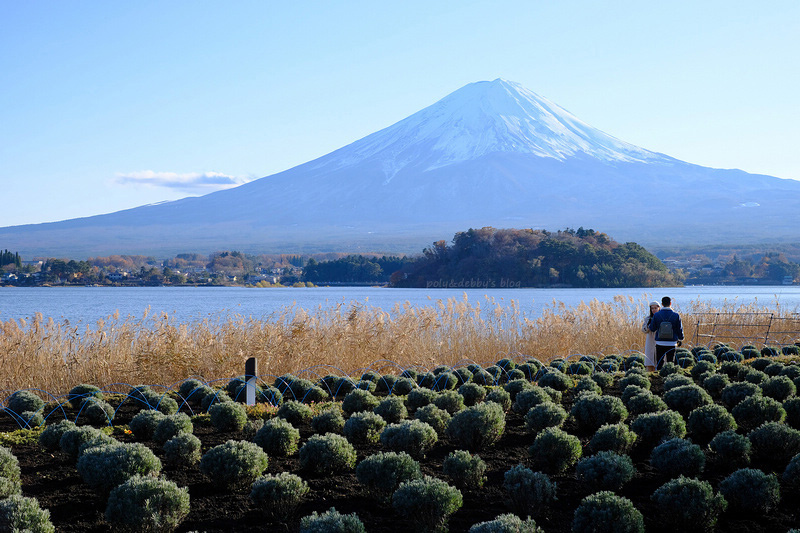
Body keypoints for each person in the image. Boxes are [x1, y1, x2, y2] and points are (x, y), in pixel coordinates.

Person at [649, 296, 684, 370]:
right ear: (670, 303)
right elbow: (679, 329)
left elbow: (652, 328)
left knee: (659, 363)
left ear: (662, 304)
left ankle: (659, 377)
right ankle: (670, 378)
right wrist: (681, 338)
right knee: (670, 363)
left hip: (659, 342)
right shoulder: (676, 315)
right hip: (672, 343)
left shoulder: (656, 315)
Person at [642, 301, 660, 371]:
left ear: (659, 308)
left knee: (659, 360)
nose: (654, 310)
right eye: (652, 308)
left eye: (655, 308)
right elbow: (643, 330)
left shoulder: (661, 317)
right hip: (650, 341)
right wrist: (648, 327)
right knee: (649, 360)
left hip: (659, 340)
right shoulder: (648, 318)